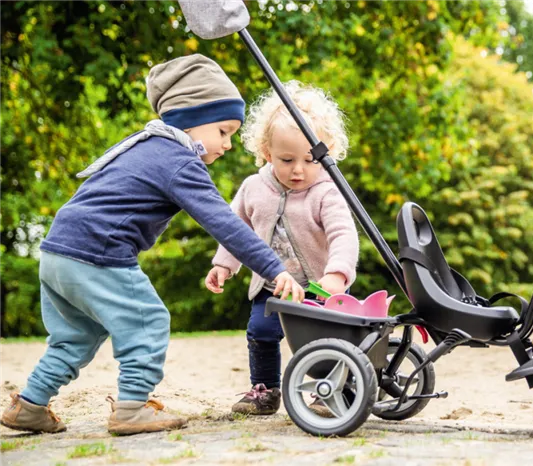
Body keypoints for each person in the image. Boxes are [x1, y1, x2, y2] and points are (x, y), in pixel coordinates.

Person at [0, 54, 304, 436]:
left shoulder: (143, 146)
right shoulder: (177, 160)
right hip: (99, 253)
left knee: (76, 335)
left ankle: (30, 404)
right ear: (192, 118)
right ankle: (132, 408)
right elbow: (225, 224)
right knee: (149, 321)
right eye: (224, 131)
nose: (228, 144)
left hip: (58, 252)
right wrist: (274, 268)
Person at [205, 81, 359, 416]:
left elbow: (343, 235)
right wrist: (224, 265)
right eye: (286, 159)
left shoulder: (327, 192)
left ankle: (330, 389)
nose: (299, 170)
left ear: (326, 152)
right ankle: (265, 390)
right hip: (271, 286)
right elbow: (236, 231)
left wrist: (337, 274)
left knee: (325, 339)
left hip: (319, 287)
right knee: (260, 332)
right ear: (265, 151)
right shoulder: (253, 188)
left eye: (309, 159)